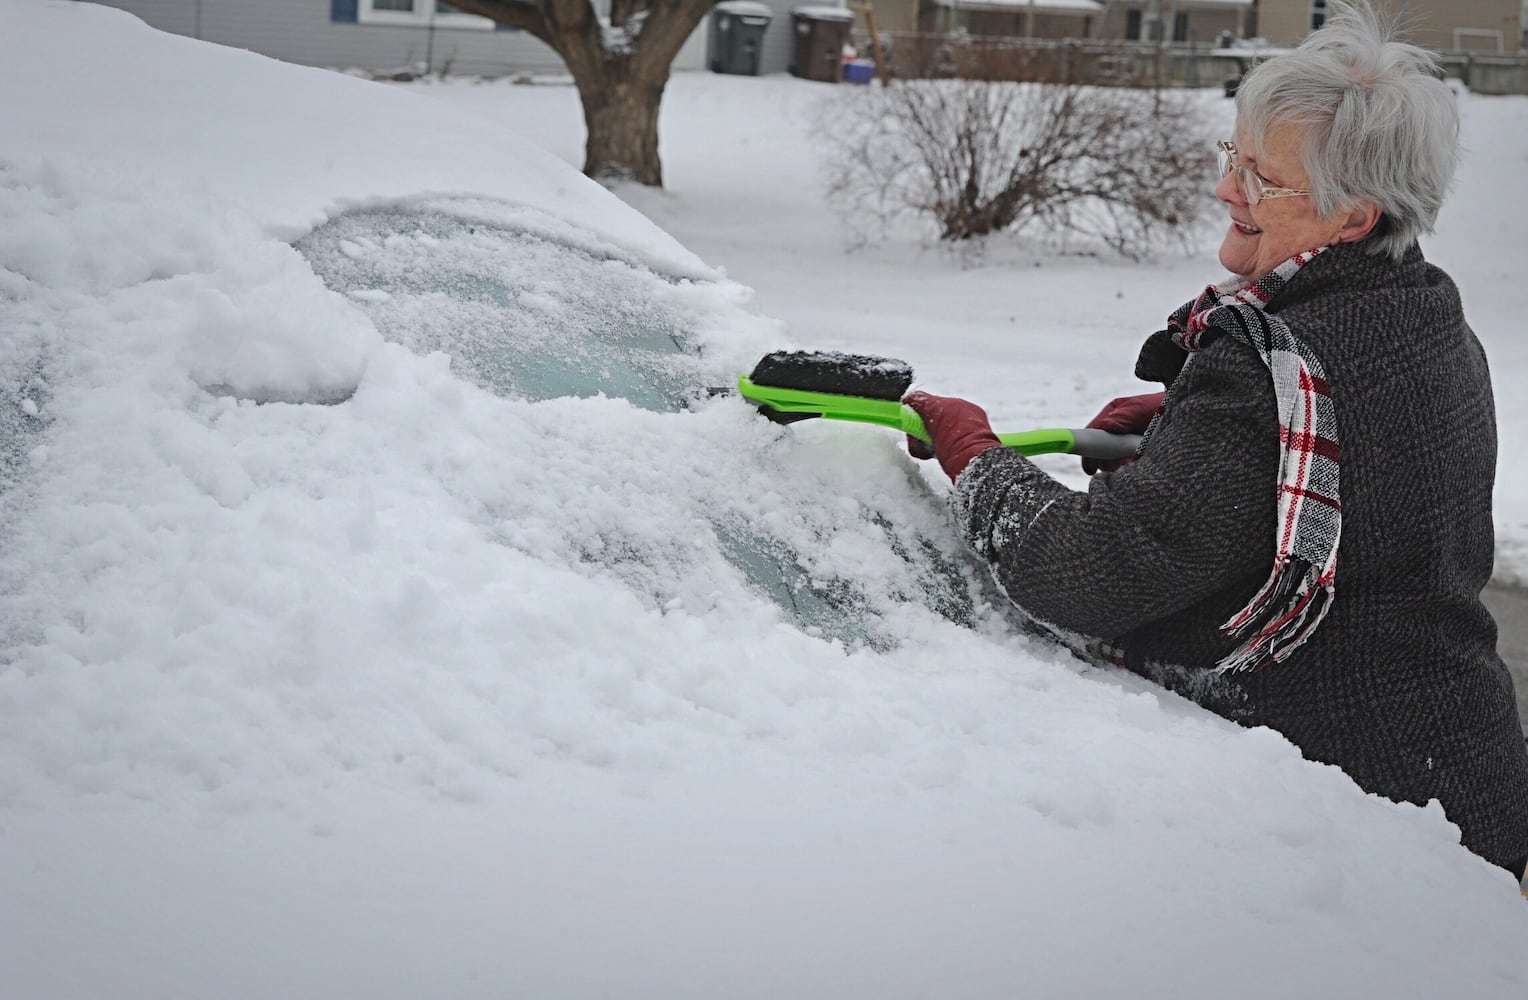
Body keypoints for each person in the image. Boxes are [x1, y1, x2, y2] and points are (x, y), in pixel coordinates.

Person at [904, 0, 1528, 881]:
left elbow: (1094, 572)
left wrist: (979, 462)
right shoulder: (1423, 308)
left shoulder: (1272, 367)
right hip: (1470, 774)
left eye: (1262, 179)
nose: (1226, 189)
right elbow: (1374, 455)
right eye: (1234, 158)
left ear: (1354, 215)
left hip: (1360, 829)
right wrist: (1183, 424)